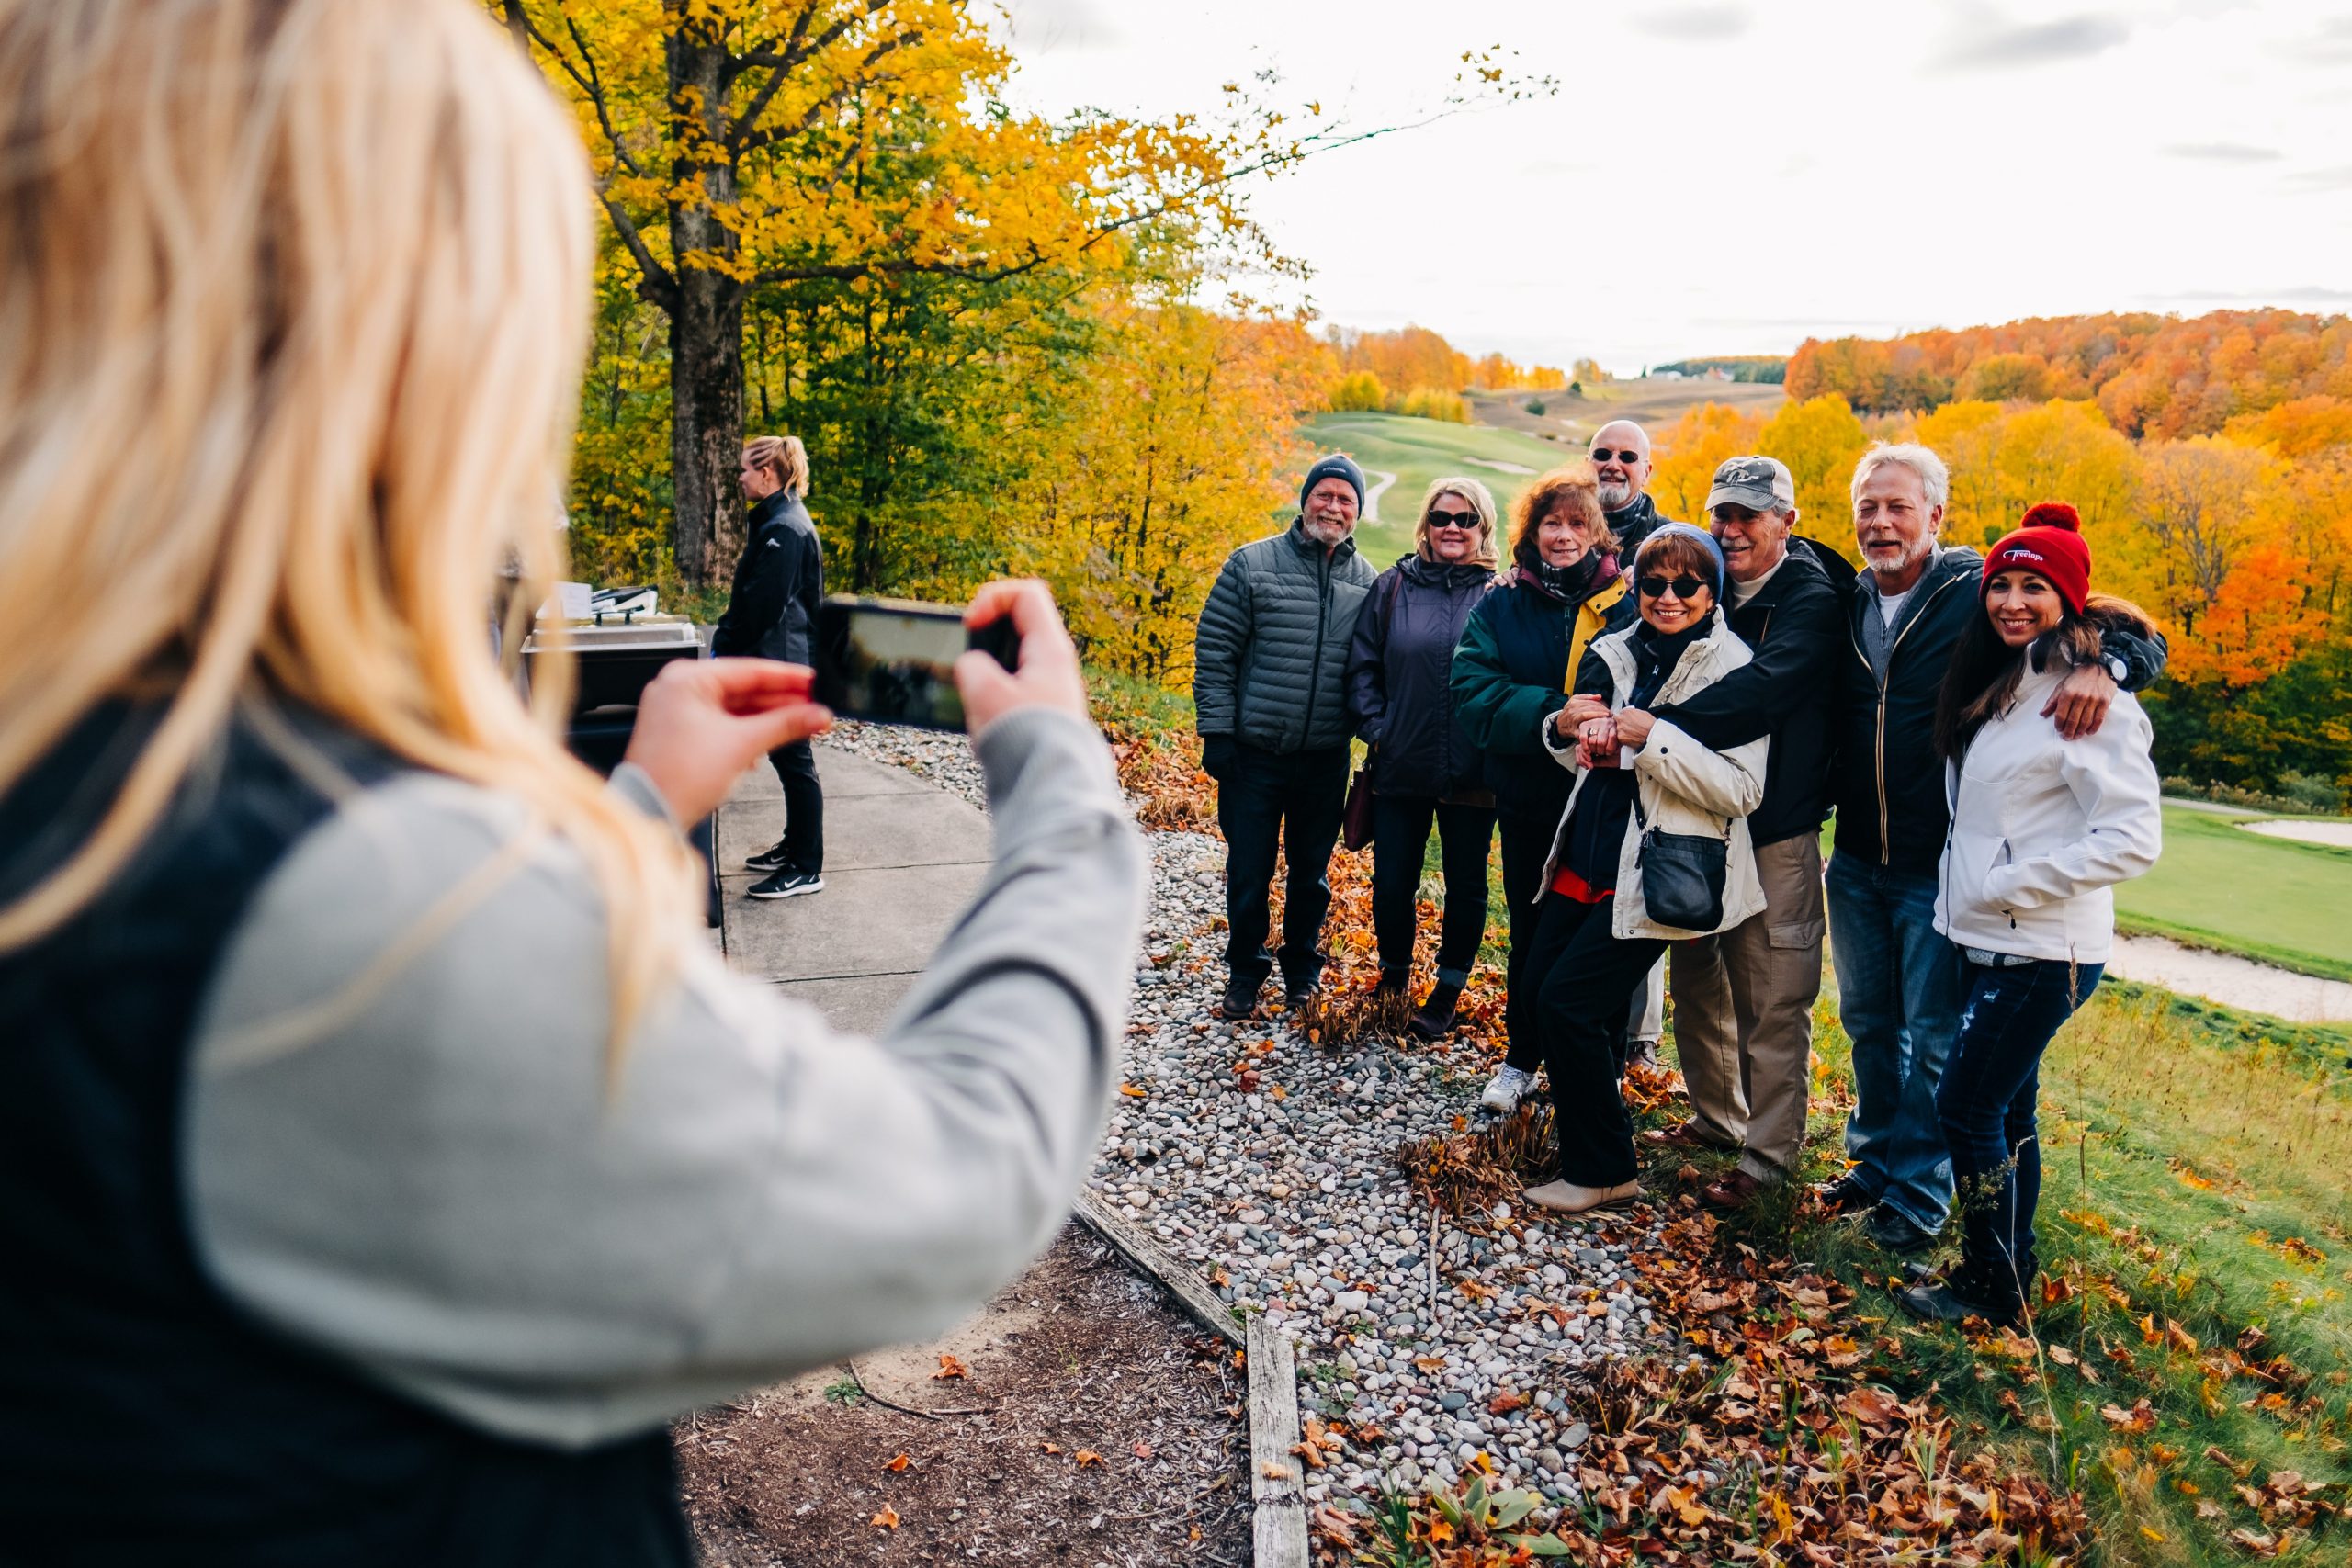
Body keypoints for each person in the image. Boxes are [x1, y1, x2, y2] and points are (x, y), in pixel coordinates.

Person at [0, 5, 1147, 1560]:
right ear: (398, 345)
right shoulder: (355, 896)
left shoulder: (87, 772)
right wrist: (1061, 781)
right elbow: (957, 1179)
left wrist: (637, 807)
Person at [1821, 446, 2168, 1251]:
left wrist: (2112, 665)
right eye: (1868, 505)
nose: (1881, 521)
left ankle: (1917, 1197)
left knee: (1940, 1046)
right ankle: (1876, 1167)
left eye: (1899, 506)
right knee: (1871, 1024)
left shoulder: (1970, 587)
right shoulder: (1842, 597)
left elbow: (2102, 615)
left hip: (1942, 874)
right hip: (1860, 855)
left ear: (1936, 516)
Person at [1899, 504, 2162, 1325]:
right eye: (2002, 584)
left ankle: (1989, 1283)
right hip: (1992, 938)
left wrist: (2015, 885)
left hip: (2045, 948)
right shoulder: (2012, 680)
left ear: (2069, 598)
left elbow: (2132, 838)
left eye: (2035, 587)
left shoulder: (2091, 703)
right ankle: (2009, 1269)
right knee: (2007, 1111)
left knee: (1966, 1108)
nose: (2013, 601)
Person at [1590, 456, 1836, 1209]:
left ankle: (1767, 1163)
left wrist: (1653, 730)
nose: (1732, 531)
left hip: (1774, 827)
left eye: (1750, 517)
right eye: (1722, 514)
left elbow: (1763, 692)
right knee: (1701, 984)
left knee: (1770, 995)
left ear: (1785, 523)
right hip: (1697, 823)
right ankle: (1717, 1117)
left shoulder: (1810, 596)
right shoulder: (1700, 579)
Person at [1516, 525, 1770, 1216]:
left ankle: (1603, 1169)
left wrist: (1652, 737)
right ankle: (1589, 1144)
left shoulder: (1733, 667)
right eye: (1654, 582)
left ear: (1712, 593)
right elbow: (1580, 752)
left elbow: (1743, 790)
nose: (1668, 596)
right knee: (1548, 994)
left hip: (1658, 870)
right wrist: (1566, 727)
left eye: (1686, 584)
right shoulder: (1618, 649)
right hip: (1588, 851)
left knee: (1568, 1004)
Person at [1450, 463, 1639, 1110]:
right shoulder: (1502, 600)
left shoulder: (1629, 602)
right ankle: (1519, 1059)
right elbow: (1472, 692)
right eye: (1551, 522)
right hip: (1531, 796)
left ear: (1597, 532)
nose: (1563, 535)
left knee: (1600, 935)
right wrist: (1552, 712)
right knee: (1531, 930)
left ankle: (1599, 1067)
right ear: (1532, 532)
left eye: (1577, 523)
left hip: (1605, 801)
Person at [1194, 454, 1379, 1019]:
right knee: (1250, 870)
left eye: (1345, 499)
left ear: (1356, 512)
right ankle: (1245, 971)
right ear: (1305, 500)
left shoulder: (1367, 581)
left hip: (1323, 758)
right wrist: (1218, 732)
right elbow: (1216, 652)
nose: (1333, 506)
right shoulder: (1251, 565)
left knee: (1311, 877)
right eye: (1324, 494)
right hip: (1254, 755)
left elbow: (1374, 667)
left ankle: (1301, 969)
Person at [1343, 479, 1502, 1038]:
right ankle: (1393, 975)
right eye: (1441, 517)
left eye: (1465, 519)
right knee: (1391, 882)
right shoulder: (1391, 587)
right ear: (1426, 524)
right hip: (1400, 764)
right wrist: (1379, 730)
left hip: (1473, 772)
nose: (1452, 528)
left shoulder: (1499, 594)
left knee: (1465, 885)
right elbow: (1362, 666)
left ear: (1484, 526)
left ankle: (1448, 990)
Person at [710, 434, 827, 899]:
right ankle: (795, 846)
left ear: (767, 474)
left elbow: (762, 607)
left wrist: (725, 644)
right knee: (786, 758)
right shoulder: (777, 520)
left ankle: (806, 866)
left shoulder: (786, 529)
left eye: (744, 470)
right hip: (780, 658)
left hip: (783, 662)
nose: (739, 478)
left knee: (795, 762)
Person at [1589, 419, 1674, 562]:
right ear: (1586, 464)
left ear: (1646, 473)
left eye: (1628, 457)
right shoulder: (1552, 529)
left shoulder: (1671, 542)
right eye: (1602, 455)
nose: (1613, 465)